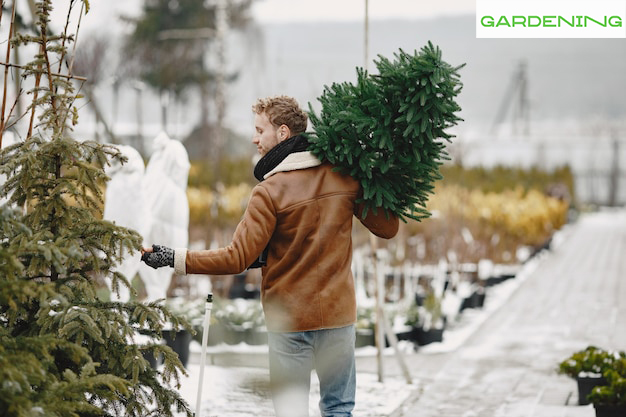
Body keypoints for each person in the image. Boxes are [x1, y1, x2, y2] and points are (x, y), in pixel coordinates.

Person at [141, 95, 398, 417]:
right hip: (337, 316)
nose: (253, 138)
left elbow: (236, 258)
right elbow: (388, 228)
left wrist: (174, 257)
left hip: (289, 321)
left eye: (260, 130)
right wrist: (374, 174)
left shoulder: (270, 191)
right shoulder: (343, 175)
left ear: (283, 133)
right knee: (339, 408)